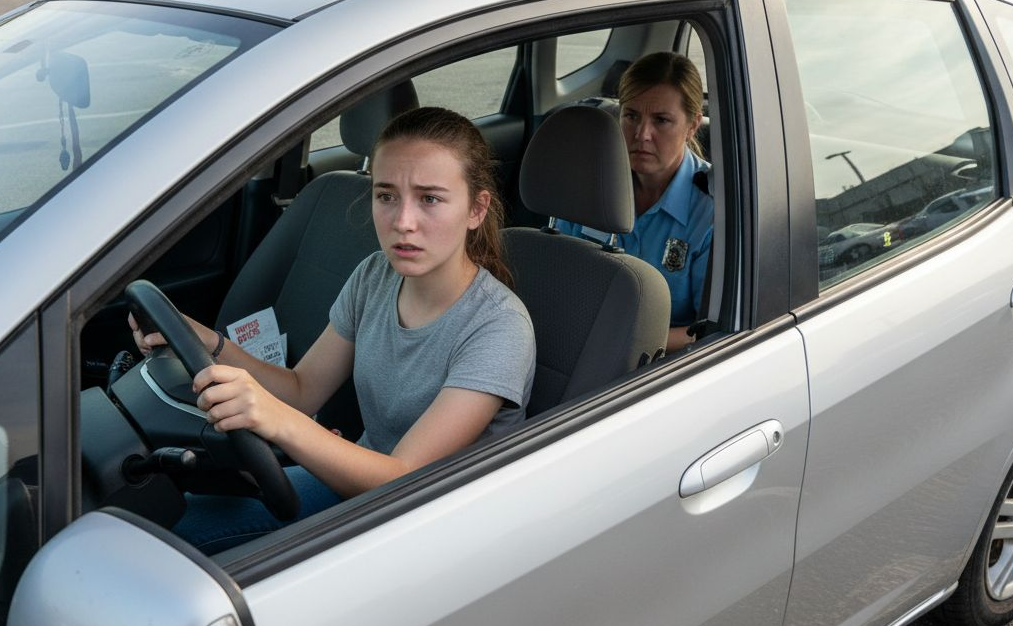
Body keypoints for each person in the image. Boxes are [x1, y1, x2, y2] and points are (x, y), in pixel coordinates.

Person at [130, 106, 537, 553]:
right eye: (386, 196)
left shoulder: (498, 328)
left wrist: (278, 420)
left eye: (430, 199)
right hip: (357, 483)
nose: (403, 221)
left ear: (476, 209)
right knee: (170, 518)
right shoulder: (375, 275)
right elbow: (303, 390)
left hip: (428, 527)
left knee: (189, 544)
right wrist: (207, 340)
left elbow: (403, 478)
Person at [555, 51, 713, 353]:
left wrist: (623, 343)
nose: (642, 135)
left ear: (692, 125)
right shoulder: (591, 187)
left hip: (665, 367)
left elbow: (708, 331)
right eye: (631, 116)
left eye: (661, 120)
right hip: (574, 350)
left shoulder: (711, 210)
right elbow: (560, 288)